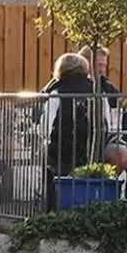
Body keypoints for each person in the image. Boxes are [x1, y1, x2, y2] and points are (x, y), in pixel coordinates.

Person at [43, 52, 97, 209]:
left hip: (61, 153)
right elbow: (105, 121)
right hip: (91, 152)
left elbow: (45, 125)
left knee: (52, 175)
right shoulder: (97, 91)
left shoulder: (56, 92)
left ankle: (54, 211)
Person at [78, 44, 127, 174]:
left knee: (122, 155)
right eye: (98, 65)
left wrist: (120, 140)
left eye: (104, 65)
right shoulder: (71, 86)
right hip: (75, 142)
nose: (102, 70)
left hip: (105, 142)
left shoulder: (109, 90)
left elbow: (121, 122)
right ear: (86, 64)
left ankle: (105, 185)